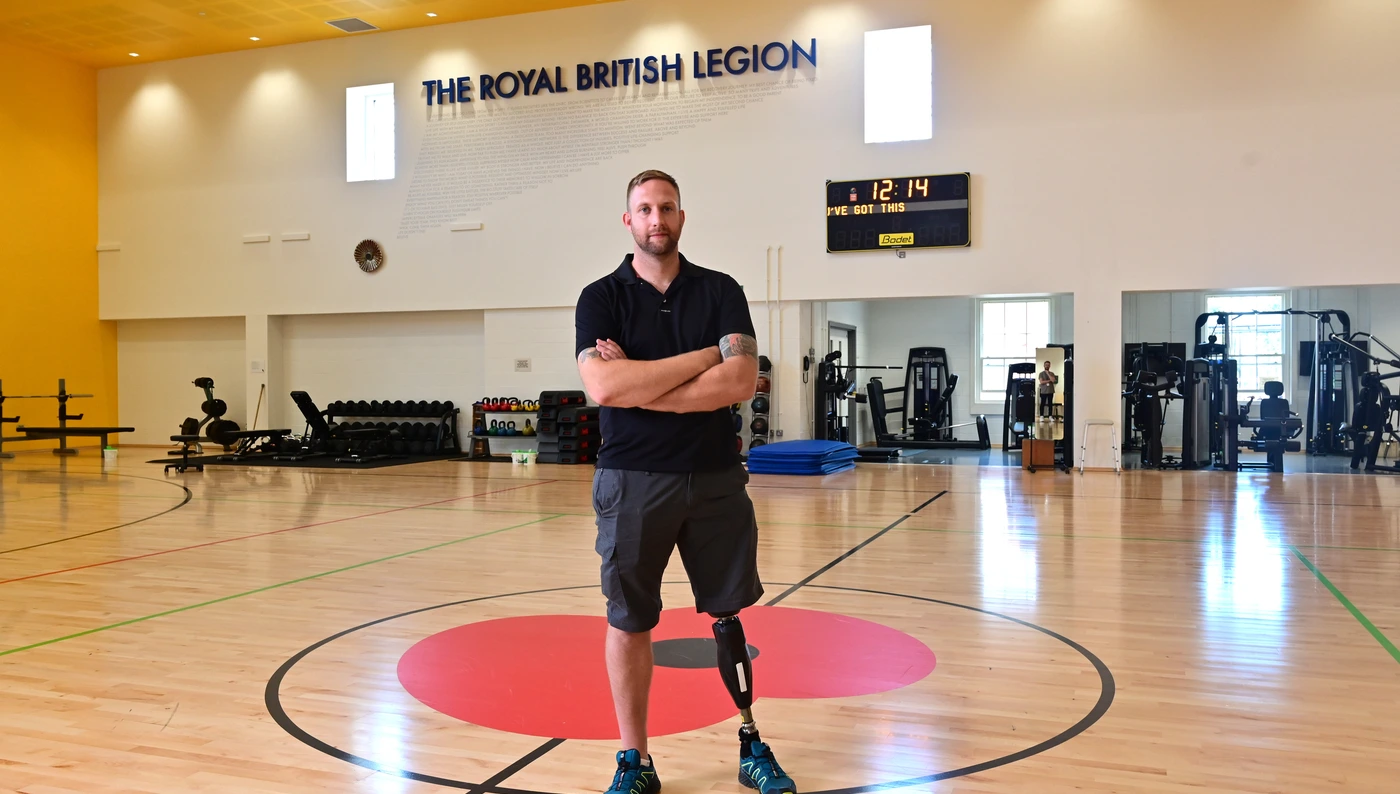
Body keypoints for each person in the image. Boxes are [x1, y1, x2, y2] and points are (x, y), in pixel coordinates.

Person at [575, 170, 797, 794]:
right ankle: (634, 761)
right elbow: (604, 388)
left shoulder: (721, 290)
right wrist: (704, 358)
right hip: (632, 481)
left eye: (666, 207)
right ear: (628, 221)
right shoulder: (600, 298)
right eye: (644, 209)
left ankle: (751, 745)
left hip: (715, 479)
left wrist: (646, 385)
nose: (656, 219)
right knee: (629, 620)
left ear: (681, 214)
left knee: (727, 614)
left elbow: (740, 382)